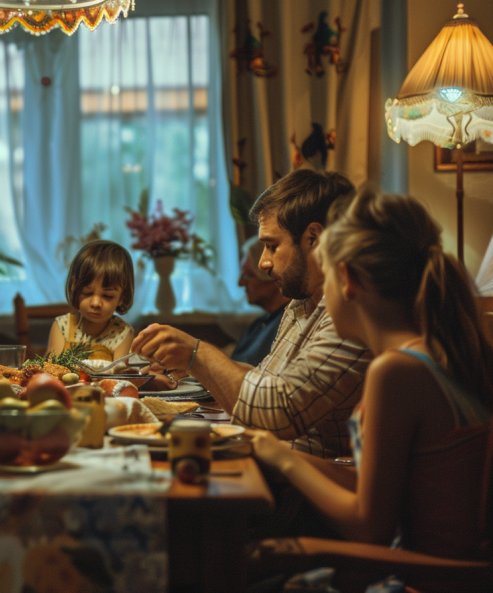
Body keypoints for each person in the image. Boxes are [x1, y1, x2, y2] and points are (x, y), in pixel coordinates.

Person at [250, 190, 493, 590]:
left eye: (325, 278)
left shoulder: (394, 372)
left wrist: (286, 460)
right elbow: (381, 490)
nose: (322, 296)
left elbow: (368, 527)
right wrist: (270, 450)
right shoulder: (437, 356)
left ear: (346, 280)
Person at [132, 169, 370, 459]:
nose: (264, 262)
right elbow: (265, 378)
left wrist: (198, 354)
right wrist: (194, 367)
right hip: (271, 466)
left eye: (272, 245)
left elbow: (279, 411)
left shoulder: (349, 318)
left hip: (302, 484)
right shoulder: (301, 302)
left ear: (314, 239)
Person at [45, 240, 135, 362]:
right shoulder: (62, 326)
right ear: (74, 286)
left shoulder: (122, 333)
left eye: (107, 296)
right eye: (87, 293)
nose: (95, 303)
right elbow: (51, 369)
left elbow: (120, 376)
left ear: (123, 297)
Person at [230, 236, 291, 366]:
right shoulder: (257, 325)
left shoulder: (289, 325)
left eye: (249, 275)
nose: (240, 283)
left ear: (275, 275)